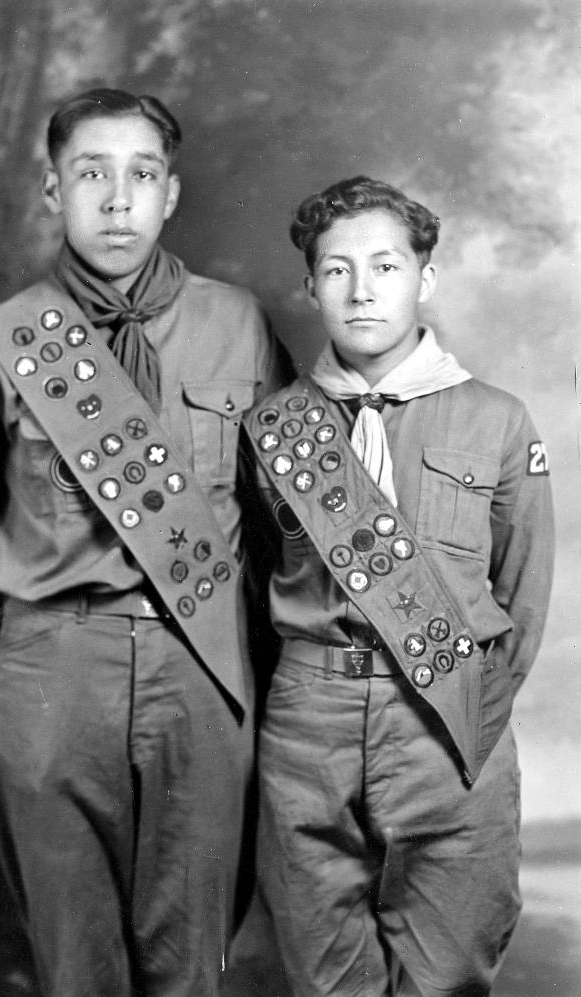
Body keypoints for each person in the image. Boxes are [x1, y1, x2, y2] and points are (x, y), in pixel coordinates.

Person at [0, 88, 287, 997]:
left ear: (171, 195)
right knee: (80, 972)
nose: (118, 199)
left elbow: (280, 520)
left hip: (202, 667)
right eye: (91, 174)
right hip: (53, 672)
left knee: (193, 968)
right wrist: (38, 629)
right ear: (51, 189)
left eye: (141, 175)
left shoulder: (240, 325)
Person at [243, 176, 554, 997]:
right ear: (310, 287)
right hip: (309, 717)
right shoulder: (272, 427)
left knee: (450, 966)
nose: (361, 289)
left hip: (447, 715)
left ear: (426, 278)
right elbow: (249, 583)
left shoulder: (496, 418)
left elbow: (522, 593)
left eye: (385, 265)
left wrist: (473, 702)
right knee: (323, 966)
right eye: (337, 270)